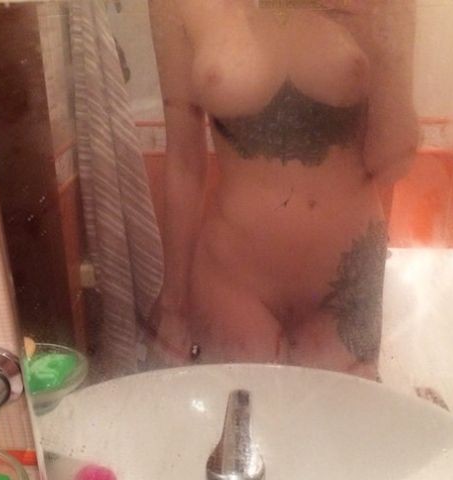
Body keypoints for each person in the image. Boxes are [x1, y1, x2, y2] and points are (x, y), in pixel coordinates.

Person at [147, 0, 419, 380]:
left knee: (342, 416)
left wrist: (390, 45)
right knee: (243, 415)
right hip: (232, 279)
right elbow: (184, 161)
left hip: (346, 281)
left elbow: (391, 162)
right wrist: (173, 306)